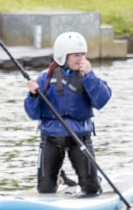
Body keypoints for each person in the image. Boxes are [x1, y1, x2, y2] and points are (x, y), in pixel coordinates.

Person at [24, 32, 112, 196]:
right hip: (51, 137)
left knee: (91, 188)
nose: (81, 59)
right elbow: (33, 114)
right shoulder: (45, 78)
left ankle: (94, 179)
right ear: (63, 56)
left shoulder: (88, 77)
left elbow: (101, 101)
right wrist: (33, 95)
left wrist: (90, 76)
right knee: (45, 188)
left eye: (83, 55)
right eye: (76, 55)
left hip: (80, 137)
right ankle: (58, 178)